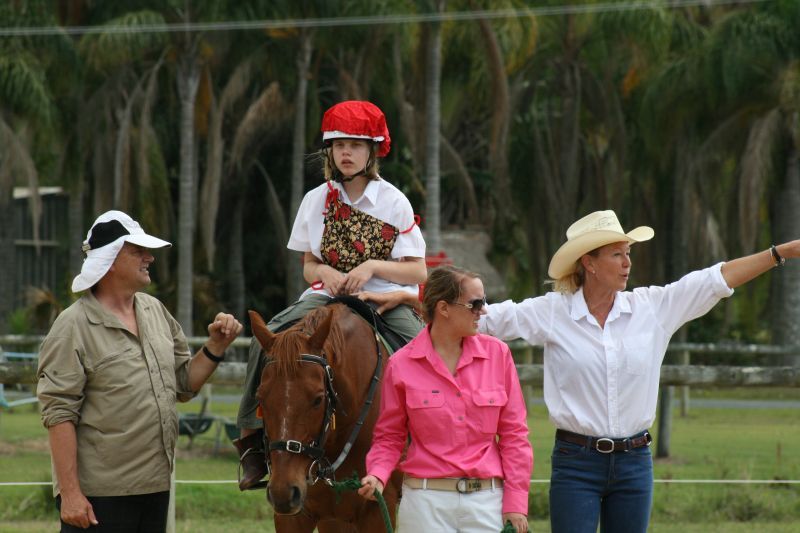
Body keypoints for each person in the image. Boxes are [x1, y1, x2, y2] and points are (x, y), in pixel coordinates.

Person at [479, 209, 800, 533]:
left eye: (628, 253)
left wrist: (780, 253)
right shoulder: (552, 311)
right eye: (616, 254)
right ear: (588, 263)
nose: (627, 262)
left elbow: (716, 279)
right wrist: (431, 310)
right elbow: (485, 319)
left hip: (634, 464)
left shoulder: (652, 307)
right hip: (575, 462)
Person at [235, 100, 427, 490]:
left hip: (383, 300)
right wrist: (325, 272)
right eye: (338, 145)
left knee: (423, 351)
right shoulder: (316, 200)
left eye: (355, 145)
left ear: (372, 150)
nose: (346, 153)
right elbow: (308, 263)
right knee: (267, 340)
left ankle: (429, 442)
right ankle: (252, 442)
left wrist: (371, 268)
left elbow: (418, 271)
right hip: (326, 296)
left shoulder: (394, 201)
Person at [36, 210, 243, 532]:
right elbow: (59, 413)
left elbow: (183, 385)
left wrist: (216, 345)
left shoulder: (154, 310)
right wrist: (71, 494)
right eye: (138, 251)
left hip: (155, 487)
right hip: (98, 497)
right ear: (110, 259)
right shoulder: (72, 326)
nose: (150, 258)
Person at [359, 266, 532, 533]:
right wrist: (378, 474)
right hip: (424, 505)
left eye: (483, 302)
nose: (483, 311)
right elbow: (389, 436)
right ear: (444, 308)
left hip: (487, 503)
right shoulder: (400, 364)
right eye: (475, 303)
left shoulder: (499, 355)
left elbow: (514, 436)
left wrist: (516, 503)